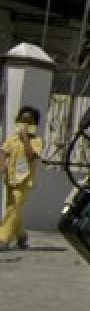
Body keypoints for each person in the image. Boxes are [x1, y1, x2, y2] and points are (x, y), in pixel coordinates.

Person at [0, 106, 43, 250]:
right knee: (14, 209)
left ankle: (3, 239)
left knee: (13, 208)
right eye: (22, 120)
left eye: (29, 121)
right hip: (11, 179)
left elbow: (31, 156)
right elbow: (3, 151)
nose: (25, 124)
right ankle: (21, 235)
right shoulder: (12, 139)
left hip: (25, 182)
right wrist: (3, 164)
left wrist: (25, 139)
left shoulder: (36, 141)